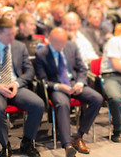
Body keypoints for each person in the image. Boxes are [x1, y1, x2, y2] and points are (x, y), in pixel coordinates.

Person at [35, 27, 103, 157]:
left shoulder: (71, 46)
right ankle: (67, 145)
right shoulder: (42, 53)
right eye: (57, 44)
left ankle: (78, 136)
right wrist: (58, 86)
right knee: (62, 103)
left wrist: (80, 83)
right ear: (49, 40)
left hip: (73, 83)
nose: (61, 47)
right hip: (57, 86)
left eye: (63, 43)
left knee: (97, 98)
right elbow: (42, 80)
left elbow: (82, 69)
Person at [0, 18, 45, 157]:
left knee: (38, 104)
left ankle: (27, 143)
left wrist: (17, 83)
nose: (12, 37)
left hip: (15, 86)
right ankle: (5, 145)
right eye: (8, 35)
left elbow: (30, 71)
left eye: (13, 33)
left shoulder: (19, 46)